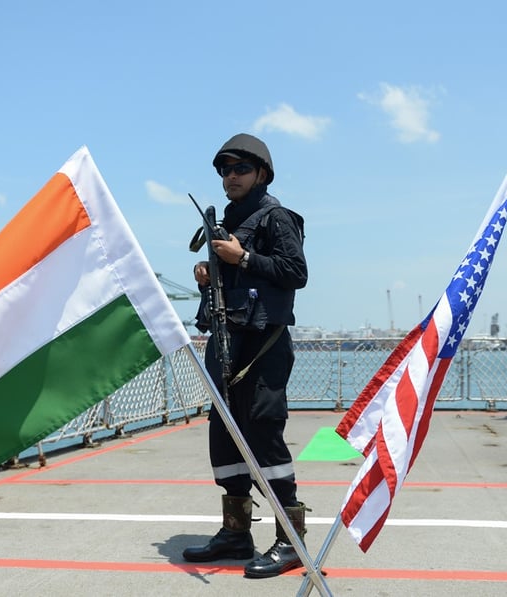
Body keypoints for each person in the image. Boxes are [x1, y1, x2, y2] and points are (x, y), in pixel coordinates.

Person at [182, 133, 309, 579]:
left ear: (261, 173)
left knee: (263, 436)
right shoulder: (228, 221)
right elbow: (233, 287)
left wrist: (244, 257)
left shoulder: (275, 217)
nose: (230, 176)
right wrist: (208, 274)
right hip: (226, 343)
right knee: (224, 436)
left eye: (239, 168)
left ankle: (290, 540)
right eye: (224, 169)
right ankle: (236, 532)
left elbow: (296, 273)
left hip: (263, 347)